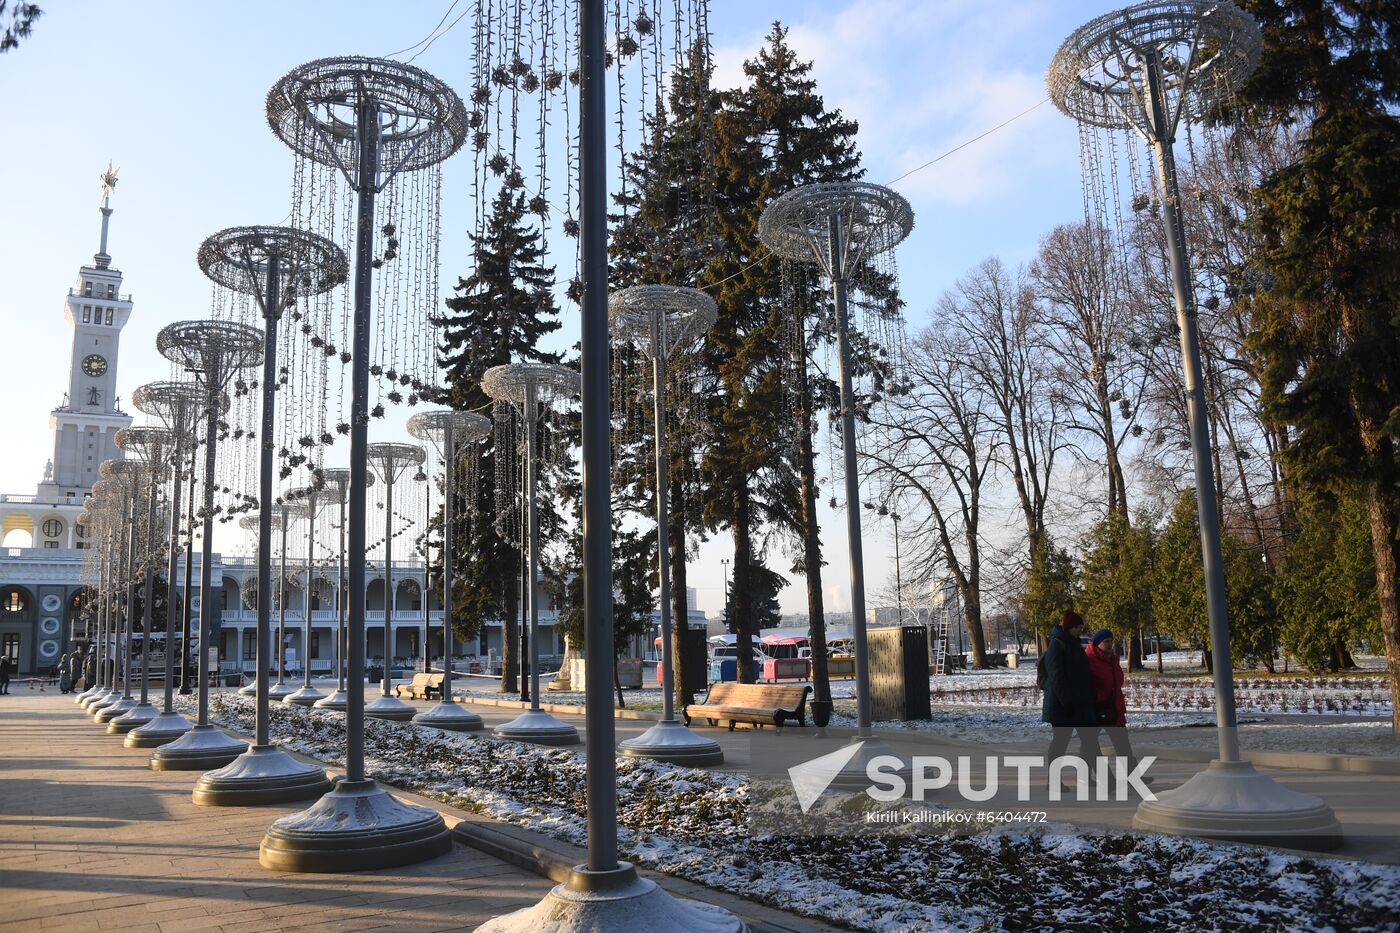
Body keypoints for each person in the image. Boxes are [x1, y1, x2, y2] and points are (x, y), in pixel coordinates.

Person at [1084, 629, 1153, 785]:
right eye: (1106, 642)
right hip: (1097, 710)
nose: (1109, 644)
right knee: (1089, 745)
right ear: (1097, 643)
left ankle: (1133, 778)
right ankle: (1086, 776)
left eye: (1111, 641)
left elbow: (1117, 681)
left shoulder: (1112, 659)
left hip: (1115, 709)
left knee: (1123, 745)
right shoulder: (1089, 660)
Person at [1041, 610, 1095, 789]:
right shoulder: (1057, 645)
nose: (1081, 630)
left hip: (1078, 704)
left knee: (1089, 740)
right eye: (1078, 627)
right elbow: (1056, 676)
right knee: (1060, 743)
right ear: (1069, 627)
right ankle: (1054, 781)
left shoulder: (1073, 644)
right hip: (1062, 705)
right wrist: (1067, 702)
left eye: (1081, 627)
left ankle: (1085, 777)